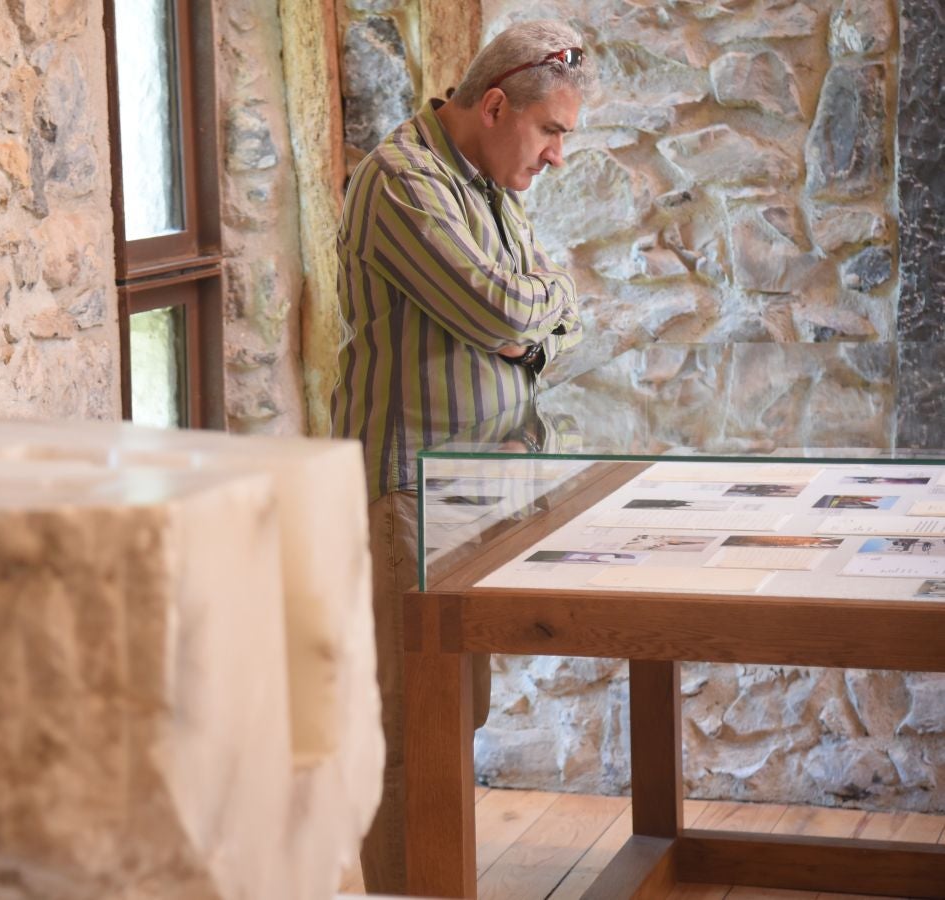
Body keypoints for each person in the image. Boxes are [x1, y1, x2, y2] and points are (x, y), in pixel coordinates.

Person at [329, 19, 598, 893]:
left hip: (481, 489)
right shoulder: (400, 183)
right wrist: (535, 314)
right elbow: (499, 311)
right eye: (550, 131)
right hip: (408, 493)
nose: (557, 156)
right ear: (492, 105)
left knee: (458, 713)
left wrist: (537, 315)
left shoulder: (489, 187)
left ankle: (434, 881)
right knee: (408, 729)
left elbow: (565, 319)